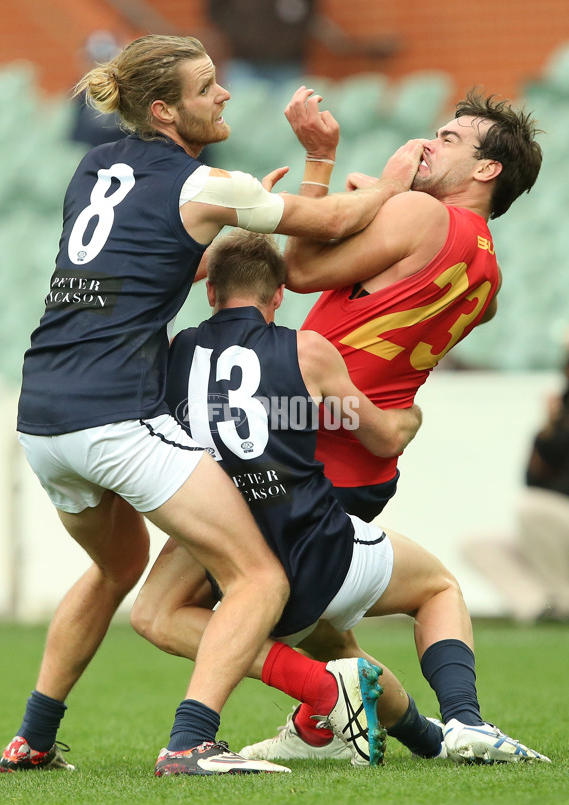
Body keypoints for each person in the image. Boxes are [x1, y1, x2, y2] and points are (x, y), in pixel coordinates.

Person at [0, 34, 425, 777]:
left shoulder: (94, 167)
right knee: (259, 579)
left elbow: (157, 260)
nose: (223, 95)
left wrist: (237, 208)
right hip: (115, 419)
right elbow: (323, 229)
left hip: (42, 417)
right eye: (206, 88)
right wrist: (386, 183)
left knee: (115, 567)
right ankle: (193, 741)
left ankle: (33, 737)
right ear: (164, 110)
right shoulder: (201, 186)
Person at [131, 229, 550, 767]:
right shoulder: (307, 351)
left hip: (231, 567)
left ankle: (420, 740)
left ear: (210, 293)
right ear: (280, 296)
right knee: (438, 588)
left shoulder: (175, 353)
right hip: (319, 547)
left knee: (339, 653)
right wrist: (407, 418)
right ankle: (466, 721)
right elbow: (382, 435)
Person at [238, 85, 544, 758]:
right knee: (320, 610)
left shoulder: (415, 211)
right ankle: (351, 722)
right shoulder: (489, 275)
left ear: (488, 170)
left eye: (454, 140)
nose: (433, 142)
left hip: (303, 443)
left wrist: (370, 186)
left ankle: (452, 725)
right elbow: (391, 298)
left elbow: (298, 269)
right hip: (368, 467)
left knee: (417, 589)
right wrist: (374, 210)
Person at [462, 350, 569, 623]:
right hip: (556, 529)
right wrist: (552, 424)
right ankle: (541, 610)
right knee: (476, 545)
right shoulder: (557, 418)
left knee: (531, 508)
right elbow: (533, 480)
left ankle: (563, 600)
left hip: (556, 522)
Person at [206, 0, 400, 90]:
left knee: (290, 126)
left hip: (289, 67)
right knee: (240, 124)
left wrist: (363, 47)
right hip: (244, 65)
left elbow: (314, 21)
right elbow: (215, 18)